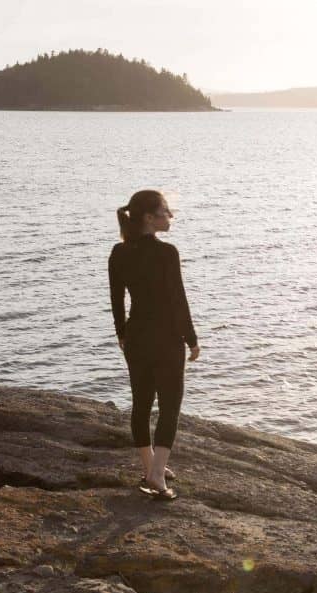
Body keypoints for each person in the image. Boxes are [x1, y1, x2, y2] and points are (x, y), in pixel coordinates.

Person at [108, 189, 200, 500]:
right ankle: (158, 477)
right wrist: (192, 339)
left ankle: (151, 466)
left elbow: (117, 300)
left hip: (135, 337)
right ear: (149, 218)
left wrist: (122, 334)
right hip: (167, 338)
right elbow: (178, 300)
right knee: (170, 405)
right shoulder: (167, 253)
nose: (170, 216)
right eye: (165, 211)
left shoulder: (118, 253)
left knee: (141, 403)